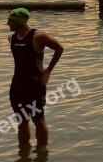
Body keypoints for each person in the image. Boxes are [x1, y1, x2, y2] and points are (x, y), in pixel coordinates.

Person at [7, 8, 64, 147]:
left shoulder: (38, 35)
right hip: (17, 86)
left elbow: (59, 48)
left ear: (19, 21)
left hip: (35, 86)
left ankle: (42, 154)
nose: (7, 23)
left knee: (38, 120)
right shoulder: (11, 38)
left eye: (10, 20)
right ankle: (24, 154)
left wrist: (48, 71)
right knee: (21, 122)